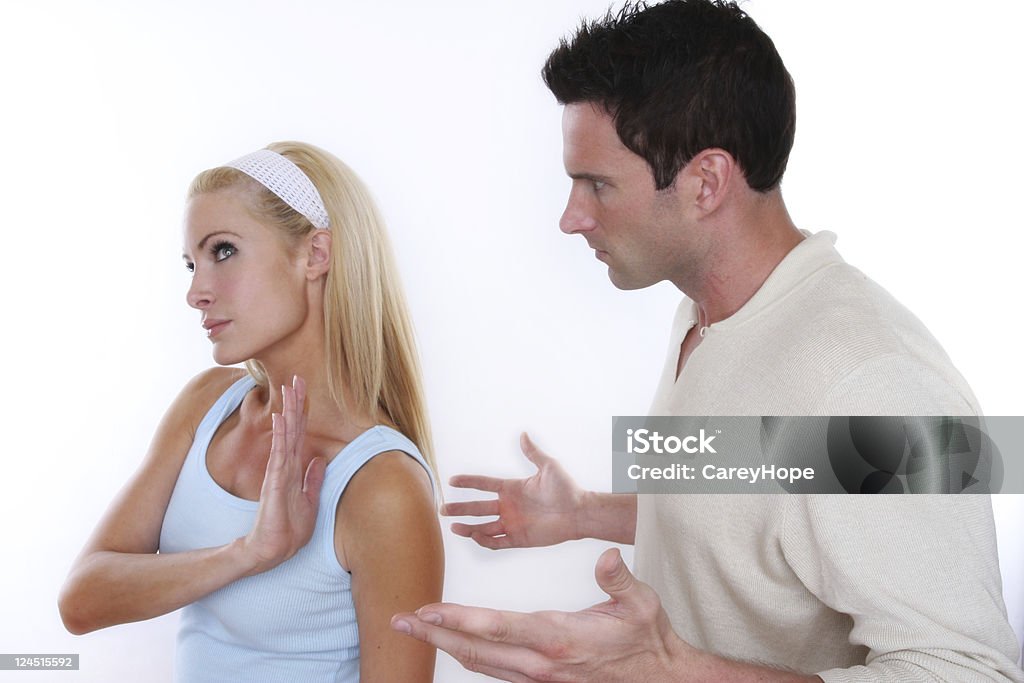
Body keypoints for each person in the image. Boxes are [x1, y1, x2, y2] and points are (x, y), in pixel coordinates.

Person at [391, 2, 1024, 681]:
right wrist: (587, 513)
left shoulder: (874, 383)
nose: (571, 217)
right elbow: (773, 508)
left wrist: (673, 671)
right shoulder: (708, 313)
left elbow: (970, 670)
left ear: (707, 181)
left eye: (598, 184)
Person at [58, 141, 443, 682]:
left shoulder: (382, 485)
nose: (196, 292)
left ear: (315, 255)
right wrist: (249, 553)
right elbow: (81, 601)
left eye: (223, 251)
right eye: (191, 264)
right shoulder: (207, 406)